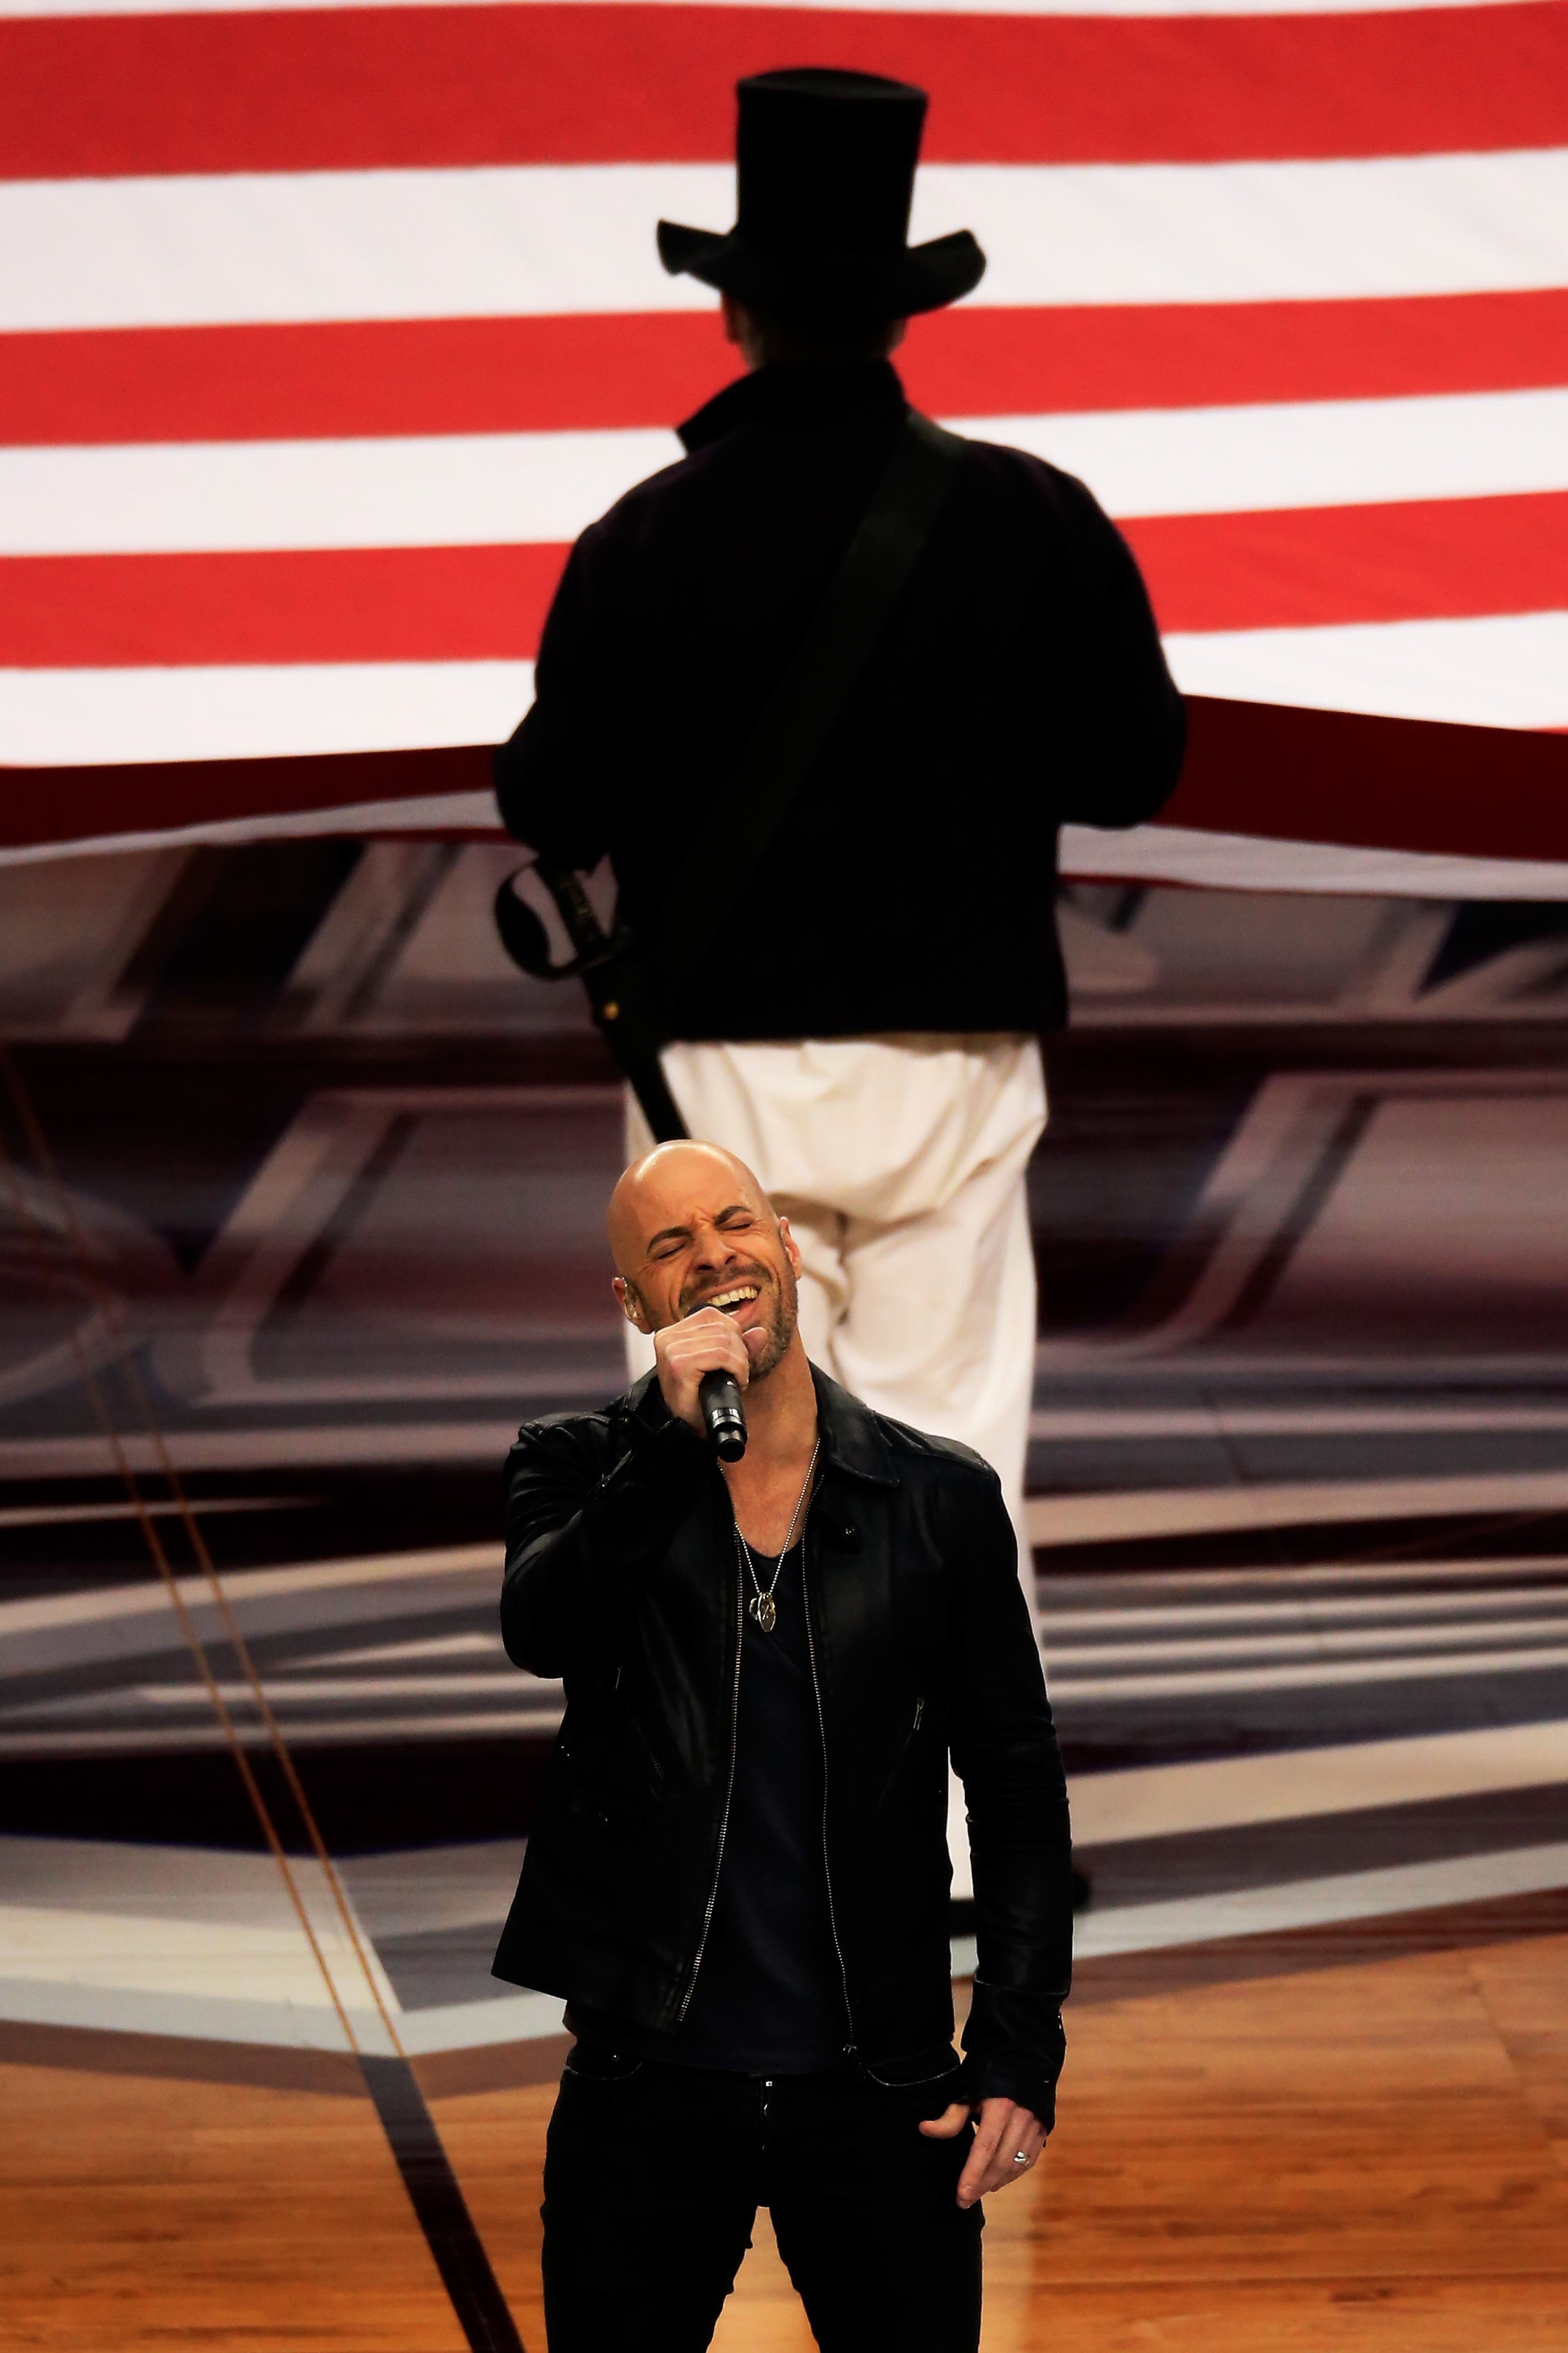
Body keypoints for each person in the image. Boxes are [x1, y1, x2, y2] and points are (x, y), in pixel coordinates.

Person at [493, 67, 1185, 1582]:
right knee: (947, 1490)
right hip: (954, 1070)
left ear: (738, 310)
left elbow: (546, 799)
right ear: (898, 312)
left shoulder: (648, 539)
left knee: (718, 1501)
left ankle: (739, 1825)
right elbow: (1140, 762)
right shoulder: (1035, 518)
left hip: (717, 1078)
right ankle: (934, 1829)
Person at [493, 1139, 1072, 2352]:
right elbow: (545, 1629)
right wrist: (667, 1441)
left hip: (883, 2093)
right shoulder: (579, 1467)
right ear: (635, 1303)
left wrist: (1019, 2039)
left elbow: (1015, 1778)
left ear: (789, 1248)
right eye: (672, 1248)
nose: (715, 1257)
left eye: (735, 1224)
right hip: (646, 2087)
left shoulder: (939, 1501)